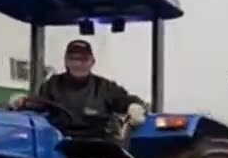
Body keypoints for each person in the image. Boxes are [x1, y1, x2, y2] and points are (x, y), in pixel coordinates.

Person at [12, 39, 146, 137]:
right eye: (73, 59)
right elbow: (39, 104)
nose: (78, 64)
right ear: (66, 61)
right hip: (59, 143)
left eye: (83, 59)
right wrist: (23, 102)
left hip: (98, 147)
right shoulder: (52, 84)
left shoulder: (105, 87)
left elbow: (128, 100)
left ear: (92, 62)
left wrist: (135, 106)